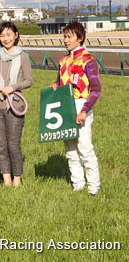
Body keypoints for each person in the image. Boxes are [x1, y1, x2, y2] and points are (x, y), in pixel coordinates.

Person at [52, 20, 101, 195]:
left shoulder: (89, 59)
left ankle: (94, 186)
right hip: (65, 105)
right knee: (71, 149)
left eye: (69, 37)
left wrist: (84, 110)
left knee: (85, 148)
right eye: (64, 36)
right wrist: (55, 86)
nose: (65, 40)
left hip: (81, 105)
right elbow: (60, 82)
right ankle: (78, 184)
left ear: (79, 38)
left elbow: (96, 90)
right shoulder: (63, 60)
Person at [0, 22, 32, 187]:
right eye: (2, 35)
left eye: (8, 34)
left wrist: (14, 87)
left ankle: (17, 180)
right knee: (1, 145)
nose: (5, 39)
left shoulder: (23, 56)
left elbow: (29, 80)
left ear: (16, 35)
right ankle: (6, 180)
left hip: (15, 105)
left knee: (13, 144)